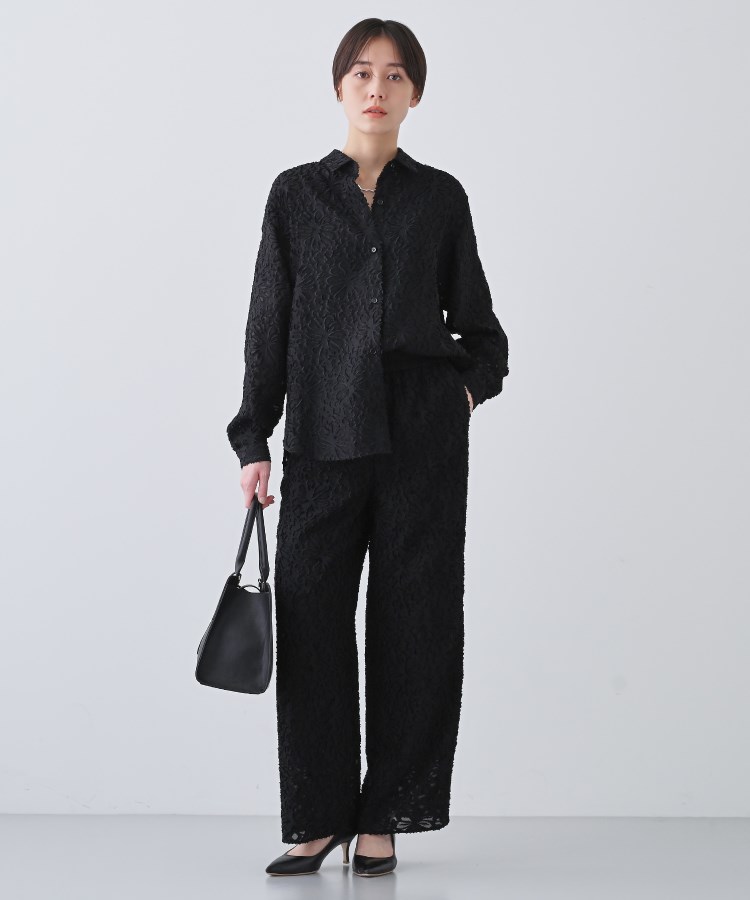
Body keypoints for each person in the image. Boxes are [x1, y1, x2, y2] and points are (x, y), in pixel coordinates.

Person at [226, 18, 510, 878]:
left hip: (423, 443)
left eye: (393, 75)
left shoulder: (441, 198)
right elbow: (269, 322)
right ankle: (318, 817)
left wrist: (462, 393)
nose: (376, 88)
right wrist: (253, 436)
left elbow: (483, 333)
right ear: (339, 86)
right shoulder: (295, 196)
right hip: (323, 439)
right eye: (361, 72)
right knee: (311, 620)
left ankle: (385, 811)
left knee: (414, 623)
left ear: (415, 92)